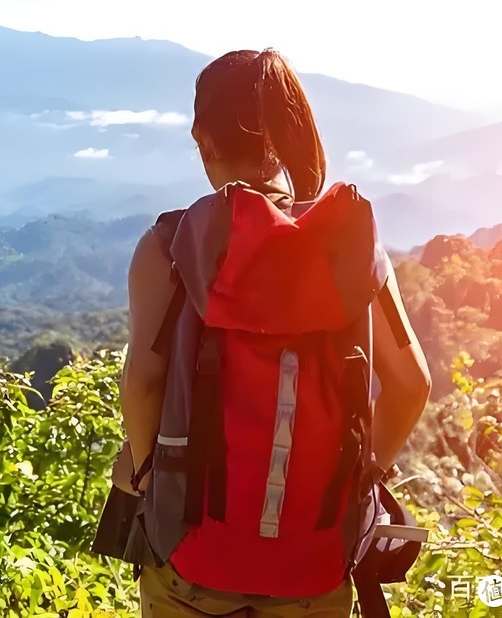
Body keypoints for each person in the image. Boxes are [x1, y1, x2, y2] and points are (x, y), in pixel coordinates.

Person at [119, 49, 432, 617]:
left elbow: (142, 382)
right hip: (312, 573)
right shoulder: (351, 250)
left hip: (191, 565)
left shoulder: (169, 249)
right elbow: (411, 385)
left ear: (203, 141)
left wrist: (144, 476)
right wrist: (363, 480)